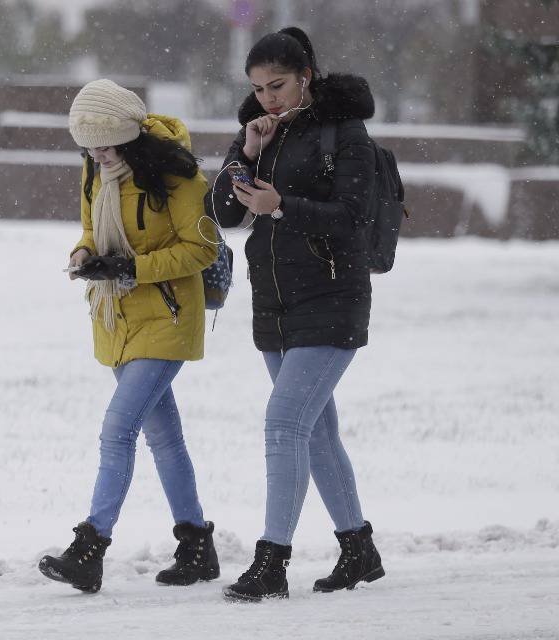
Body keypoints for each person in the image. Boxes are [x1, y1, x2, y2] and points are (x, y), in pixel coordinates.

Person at [206, 27, 386, 602]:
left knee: (286, 424)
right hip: (274, 300)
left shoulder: (344, 132)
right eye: (258, 89)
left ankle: (272, 562)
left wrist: (282, 205)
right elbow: (222, 213)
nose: (268, 98)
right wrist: (244, 153)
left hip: (332, 296)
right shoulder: (262, 133)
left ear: (305, 76)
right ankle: (358, 548)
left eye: (277, 85)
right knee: (318, 433)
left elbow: (354, 215)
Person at [37, 79, 220, 594]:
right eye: (87, 146)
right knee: (164, 437)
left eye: (104, 145)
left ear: (128, 136)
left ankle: (89, 548)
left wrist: (131, 268)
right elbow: (91, 230)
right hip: (116, 317)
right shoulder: (96, 169)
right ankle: (197, 547)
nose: (95, 154)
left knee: (117, 430)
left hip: (167, 316)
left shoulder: (177, 174)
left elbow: (202, 249)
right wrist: (83, 254)